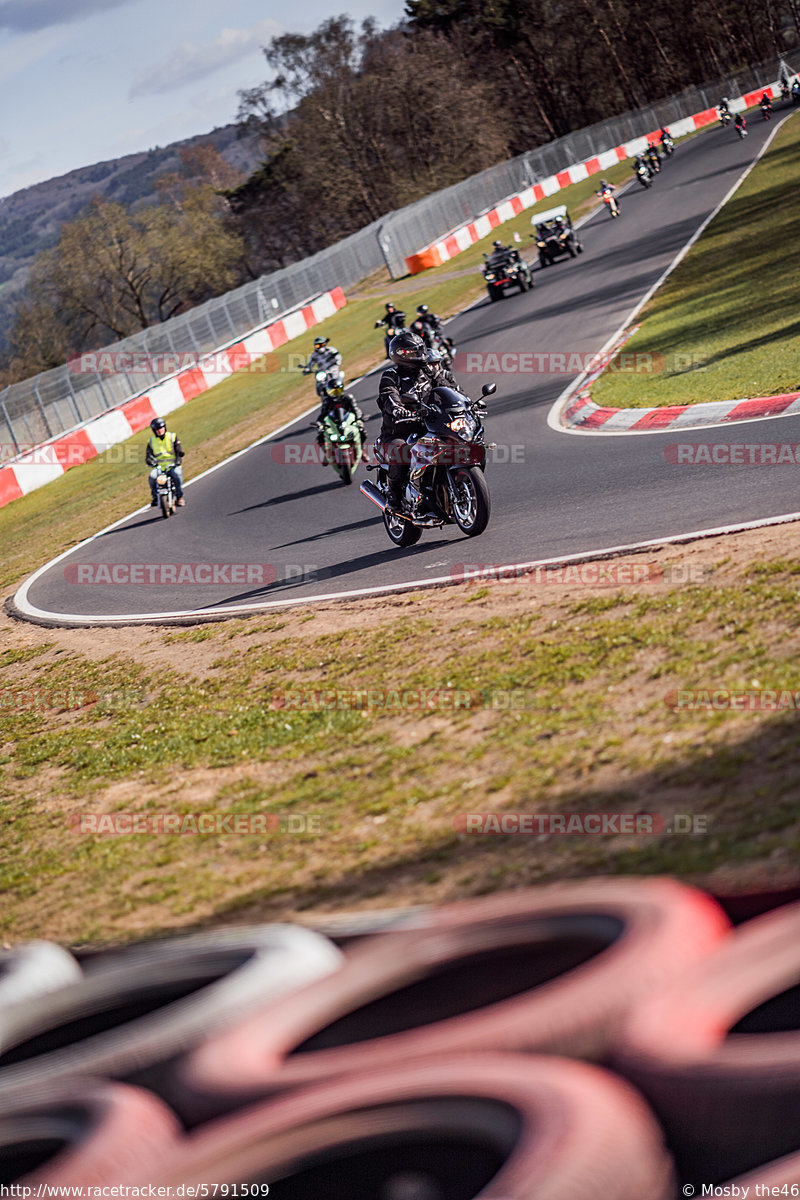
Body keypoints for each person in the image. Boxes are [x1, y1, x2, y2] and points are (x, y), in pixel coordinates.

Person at [376, 330, 459, 513]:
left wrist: (463, 404)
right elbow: (389, 396)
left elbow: (447, 388)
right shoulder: (391, 375)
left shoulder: (429, 371)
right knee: (402, 452)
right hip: (398, 432)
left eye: (419, 350)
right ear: (400, 355)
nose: (419, 355)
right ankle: (394, 497)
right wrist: (398, 409)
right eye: (413, 352)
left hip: (429, 426)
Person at [315, 379, 368, 466]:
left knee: (362, 431)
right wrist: (319, 424)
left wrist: (359, 419)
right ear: (328, 392)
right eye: (333, 392)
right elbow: (322, 415)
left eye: (338, 391)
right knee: (320, 437)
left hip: (348, 422)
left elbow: (356, 409)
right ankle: (326, 453)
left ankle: (361, 450)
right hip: (333, 423)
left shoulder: (348, 398)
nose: (336, 394)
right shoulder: (327, 401)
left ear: (342, 390)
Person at [146, 417, 185, 507]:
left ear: (164, 427)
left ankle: (180, 497)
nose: (159, 431)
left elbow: (178, 451)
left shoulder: (172, 436)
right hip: (159, 468)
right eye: (157, 429)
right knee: (152, 476)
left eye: (161, 428)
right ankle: (155, 497)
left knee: (177, 474)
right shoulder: (151, 441)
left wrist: (178, 461)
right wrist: (151, 462)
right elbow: (148, 456)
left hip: (173, 466)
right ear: (154, 431)